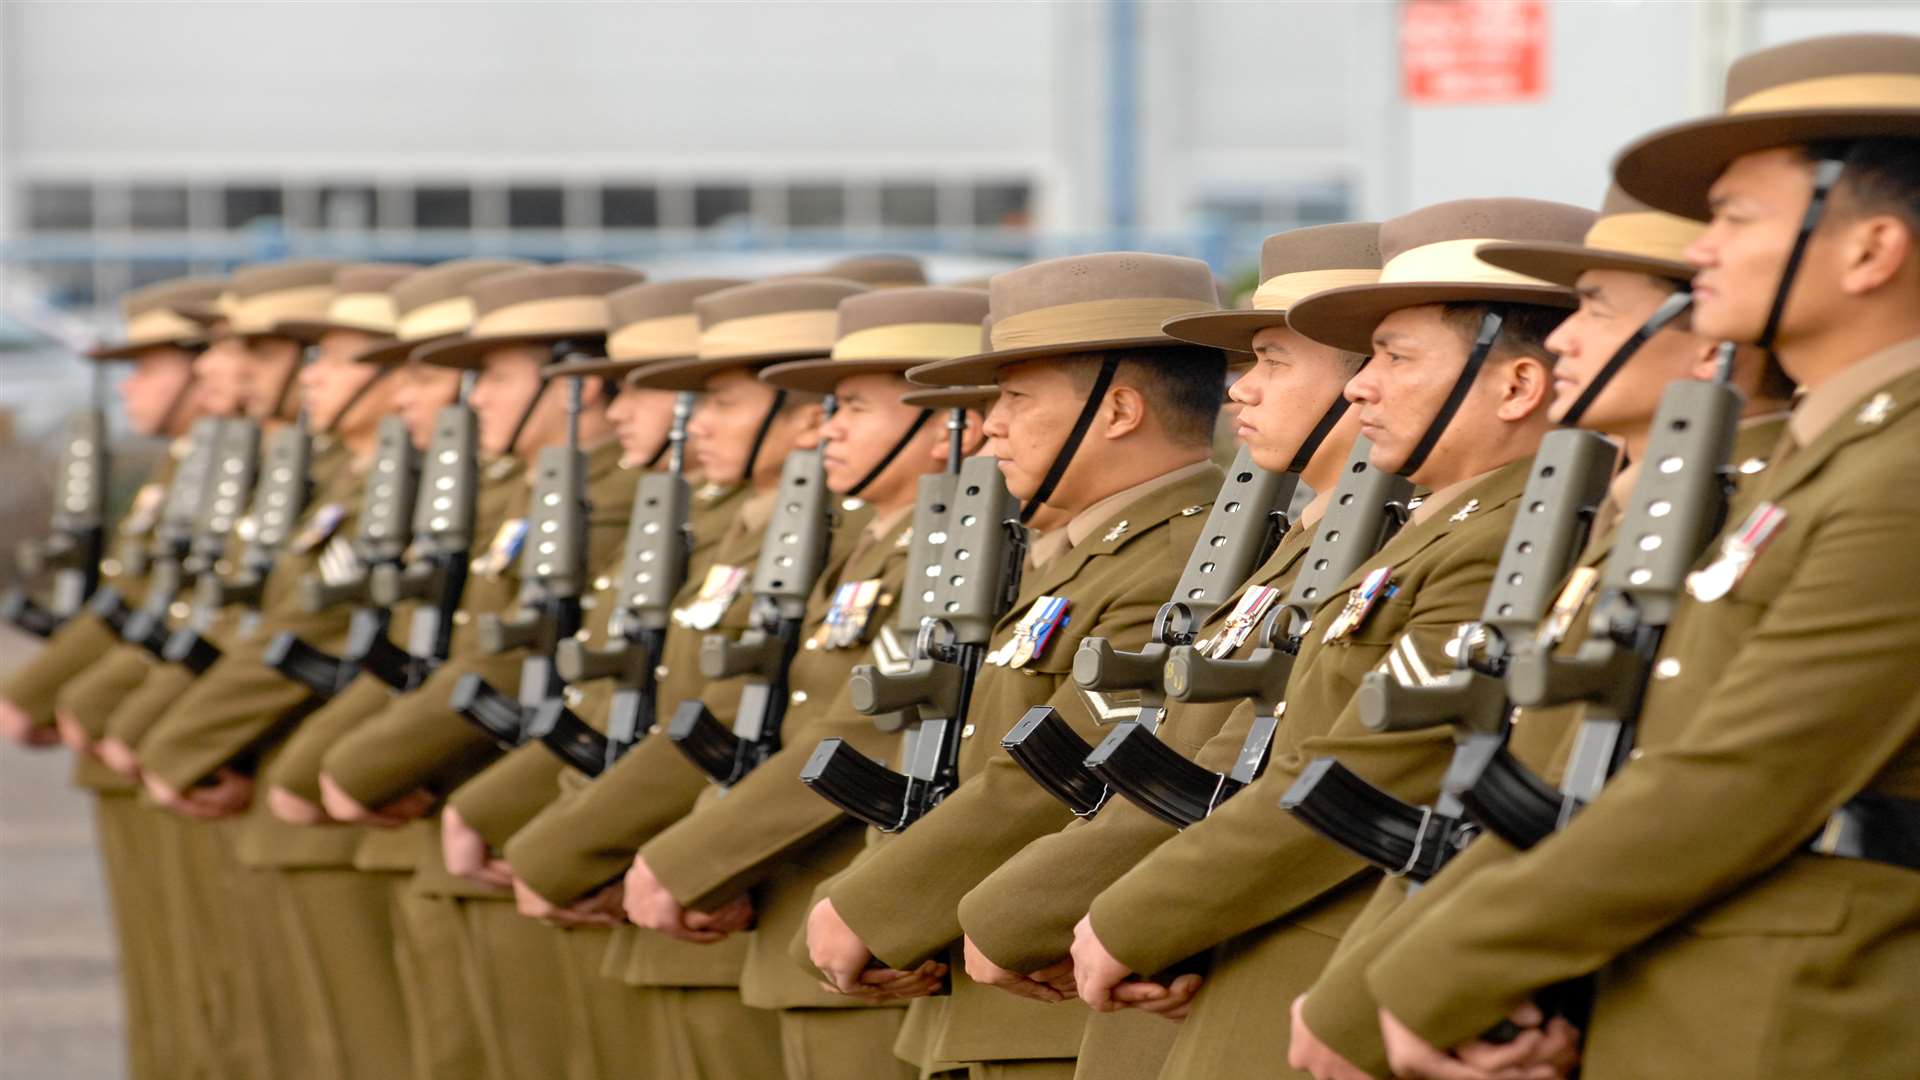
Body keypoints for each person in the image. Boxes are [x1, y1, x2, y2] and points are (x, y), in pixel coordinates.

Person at [1366, 34, 1920, 1080]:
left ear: (1871, 249)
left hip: (1797, 1022)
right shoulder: (1819, 466)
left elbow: (1740, 779)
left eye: (1736, 217)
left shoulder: (1897, 473)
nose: (1702, 247)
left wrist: (1432, 974)